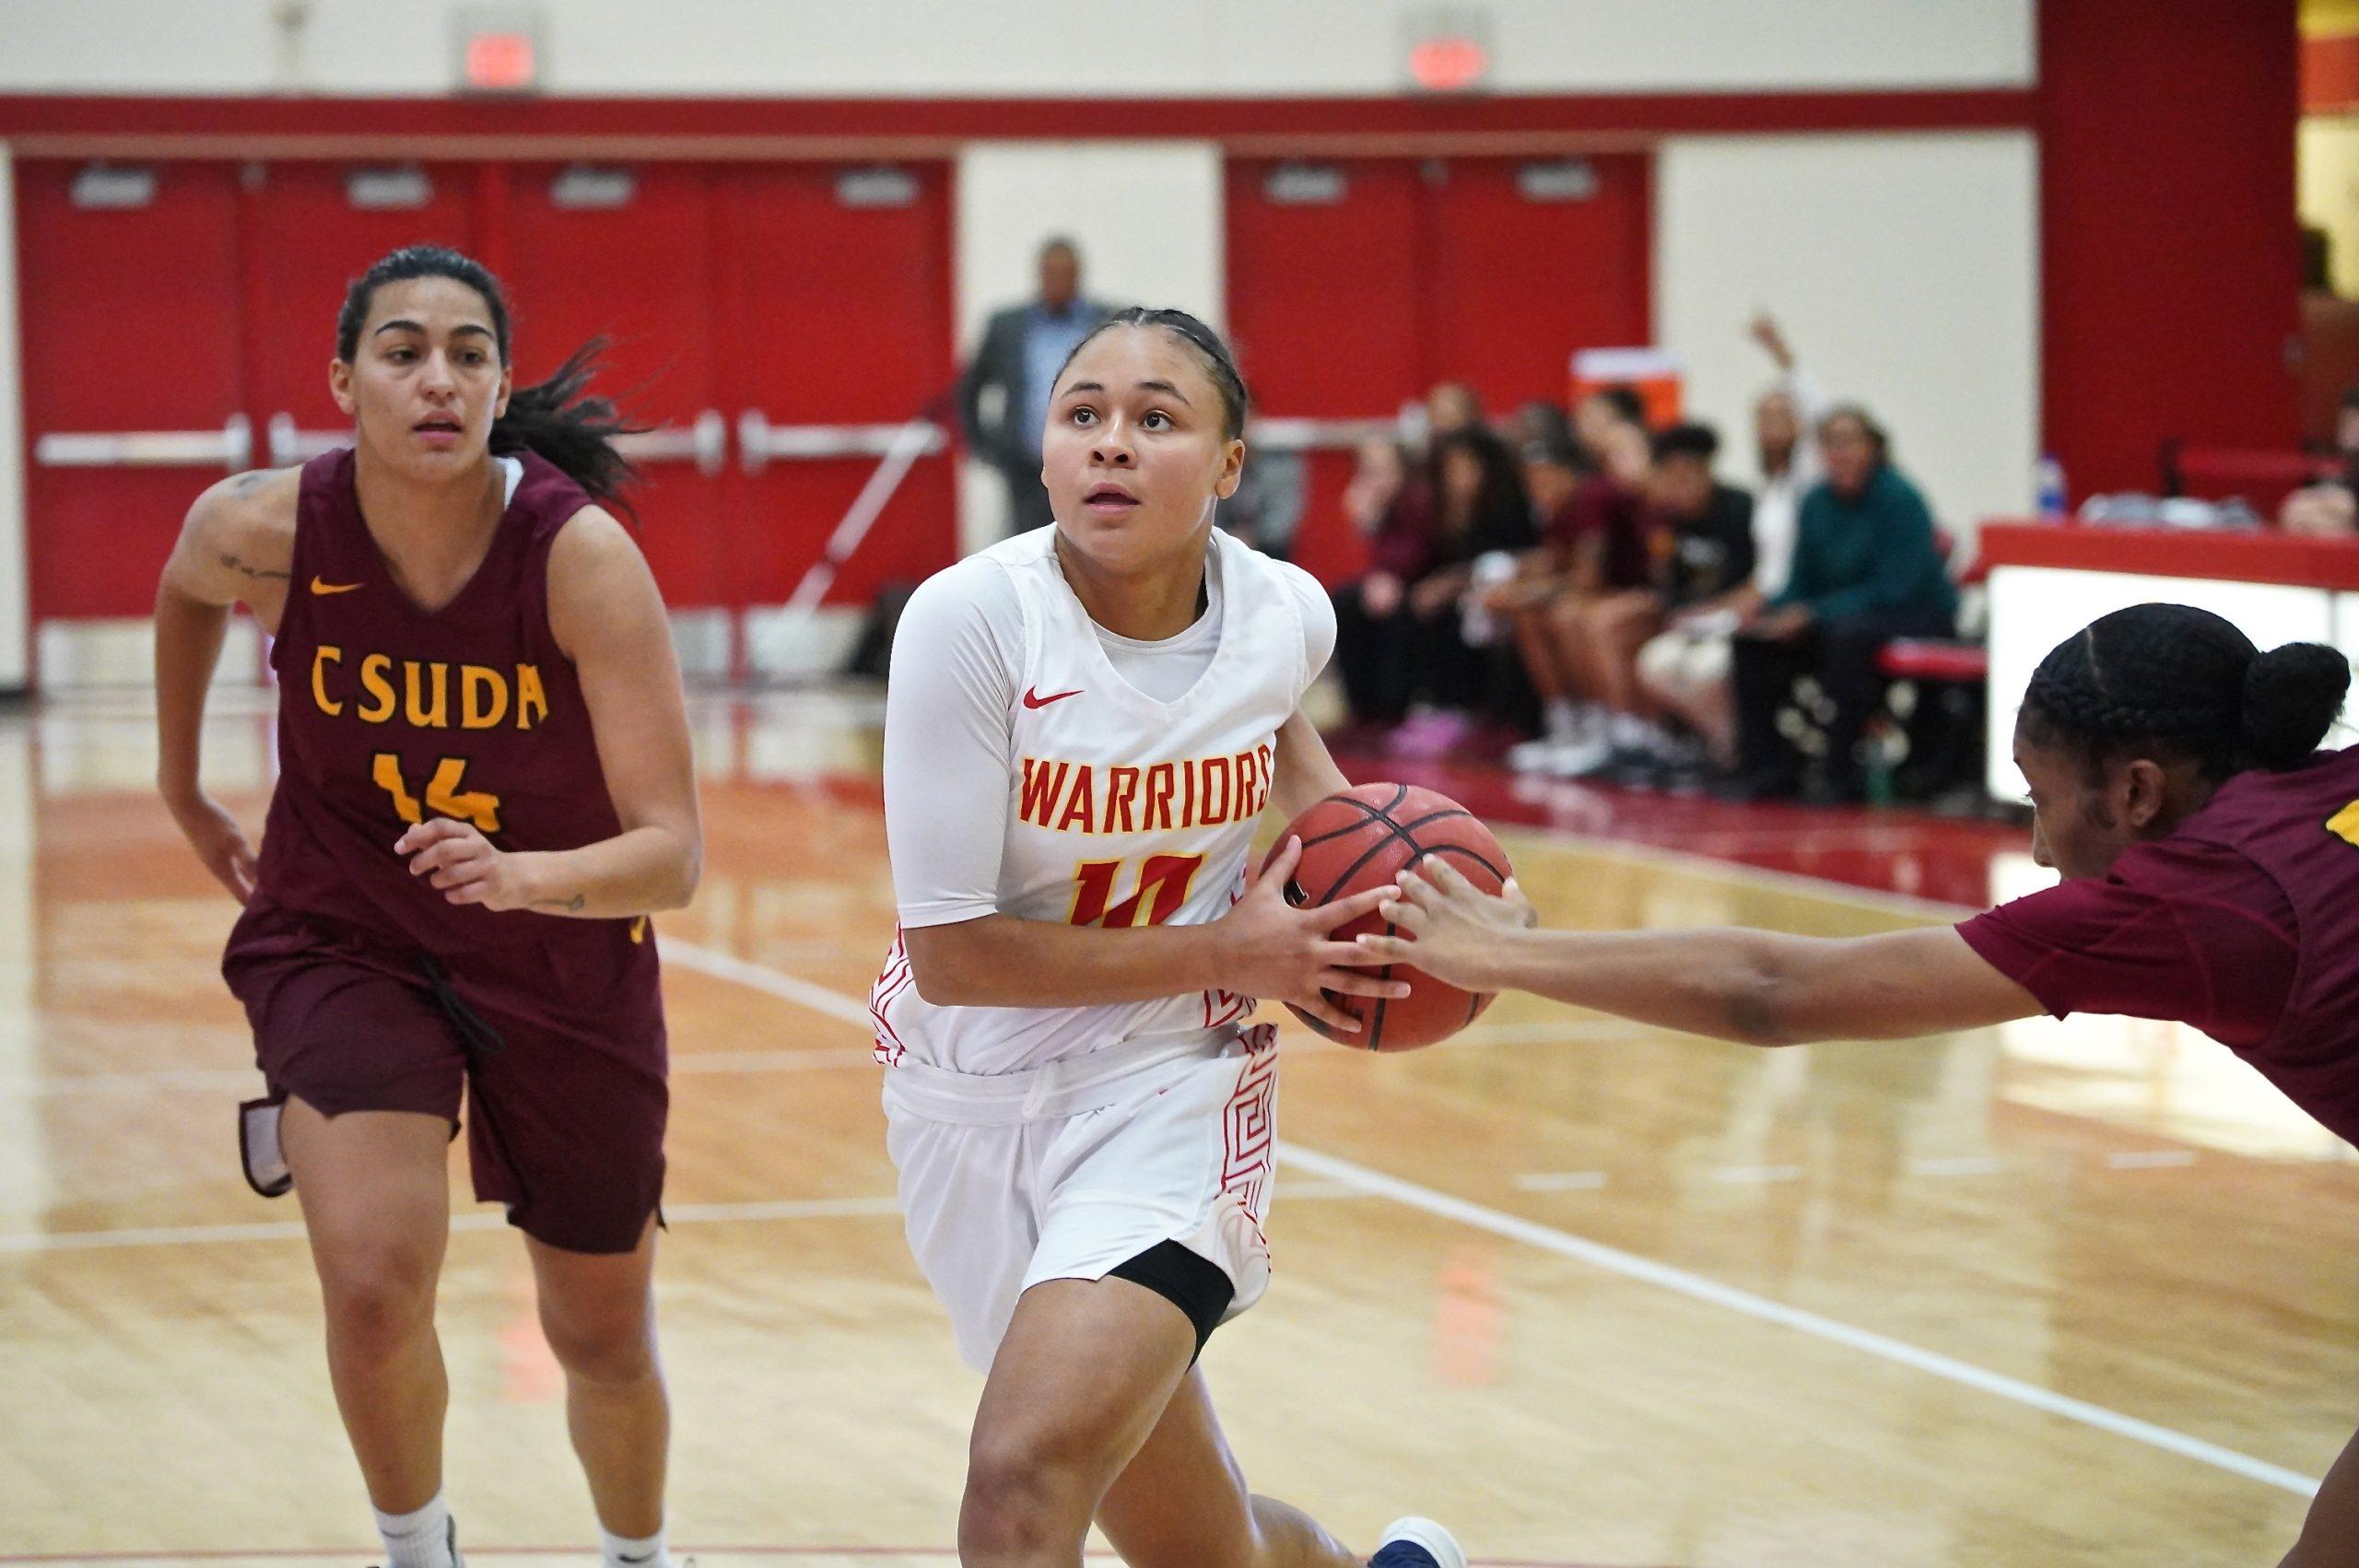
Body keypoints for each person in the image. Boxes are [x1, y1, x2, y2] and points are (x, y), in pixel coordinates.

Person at [1355, 602, 2359, 1568]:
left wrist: (1505, 956)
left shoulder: (2194, 899)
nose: (2042, 849)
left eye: (2042, 801)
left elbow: (1773, 993)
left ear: (2138, 793)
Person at [873, 306, 1463, 1568]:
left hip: (1167, 1088)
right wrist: (1234, 951)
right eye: (1082, 415)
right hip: (965, 1088)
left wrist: (1450, 917)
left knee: (1021, 1479)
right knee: (1201, 1547)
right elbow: (954, 955)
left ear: (1231, 464)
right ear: (1041, 455)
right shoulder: (969, 622)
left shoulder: (1283, 615)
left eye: (1156, 419)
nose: (1112, 446)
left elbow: (1322, 802)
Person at [152, 246, 701, 1568]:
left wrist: (525, 877)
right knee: (373, 1278)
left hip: (561, 951)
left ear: (502, 383)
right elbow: (186, 587)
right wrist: (182, 789)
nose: (437, 380)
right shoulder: (262, 525)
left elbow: (674, 853)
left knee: (597, 1333)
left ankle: (642, 1553)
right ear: (346, 382)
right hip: (345, 931)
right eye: (402, 352)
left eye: (467, 355)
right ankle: (417, 1548)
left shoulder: (580, 560)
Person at [1726, 404, 1956, 802]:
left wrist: (1812, 613)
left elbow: (1894, 588)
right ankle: (1767, 768)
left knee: (1845, 639)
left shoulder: (1901, 499)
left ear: (1873, 448)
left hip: (1913, 614)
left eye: (1850, 442)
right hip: (1838, 617)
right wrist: (1769, 608)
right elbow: (1801, 582)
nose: (1840, 452)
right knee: (1751, 641)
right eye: (1830, 443)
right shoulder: (1815, 501)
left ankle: (1838, 774)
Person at [957, 237, 1118, 534]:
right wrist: (984, 447)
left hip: (1093, 464)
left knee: (1091, 543)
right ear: (1039, 275)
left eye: (1065, 273)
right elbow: (970, 389)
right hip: (1027, 469)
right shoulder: (1007, 327)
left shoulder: (1108, 322)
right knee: (1030, 551)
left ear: (1077, 275)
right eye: (1051, 272)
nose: (1058, 281)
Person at [1329, 436, 1439, 734]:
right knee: (1343, 603)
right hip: (1385, 584)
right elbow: (1365, 561)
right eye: (1368, 471)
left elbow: (1417, 555)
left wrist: (1388, 577)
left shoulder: (1418, 499)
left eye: (1382, 470)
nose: (1374, 479)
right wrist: (1366, 521)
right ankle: (1360, 707)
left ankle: (1393, 708)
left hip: (1423, 584)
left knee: (1396, 615)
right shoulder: (1377, 504)